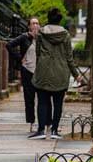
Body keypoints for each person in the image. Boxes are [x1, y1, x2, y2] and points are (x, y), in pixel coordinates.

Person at [29, 8, 79, 140]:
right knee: (58, 103)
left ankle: (40, 130)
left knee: (42, 102)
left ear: (48, 18)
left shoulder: (41, 33)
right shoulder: (66, 35)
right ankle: (54, 131)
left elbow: (38, 53)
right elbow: (69, 57)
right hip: (61, 73)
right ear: (59, 20)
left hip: (43, 72)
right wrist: (76, 74)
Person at [7, 17, 40, 134]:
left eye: (37, 23)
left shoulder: (42, 38)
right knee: (29, 98)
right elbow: (9, 45)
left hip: (40, 72)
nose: (36, 25)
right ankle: (31, 123)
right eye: (33, 23)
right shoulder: (24, 37)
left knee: (42, 98)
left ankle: (42, 124)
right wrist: (19, 58)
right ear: (29, 26)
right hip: (27, 71)